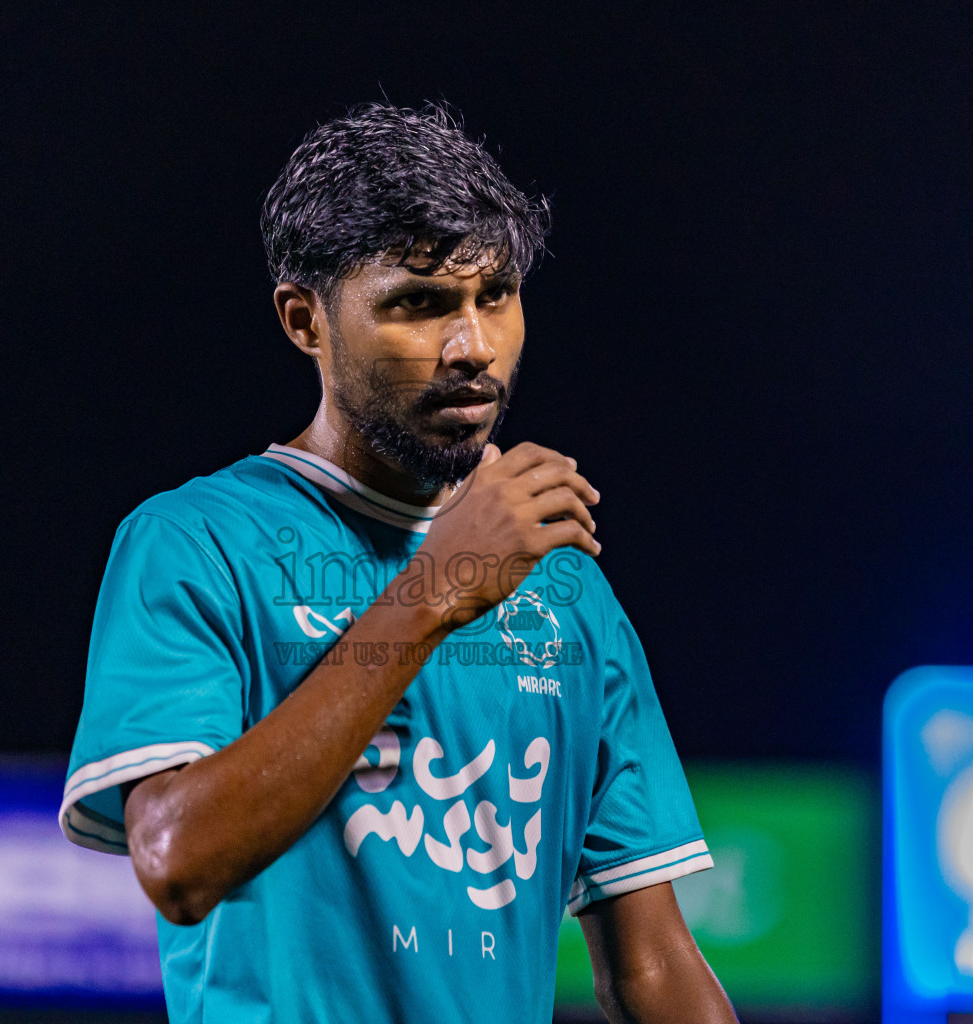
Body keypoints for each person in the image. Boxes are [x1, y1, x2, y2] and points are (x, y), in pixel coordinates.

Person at [60, 102, 736, 1024]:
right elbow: (177, 860)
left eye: (493, 296)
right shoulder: (196, 541)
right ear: (306, 322)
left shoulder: (566, 589)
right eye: (418, 304)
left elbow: (652, 966)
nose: (472, 347)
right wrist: (433, 593)